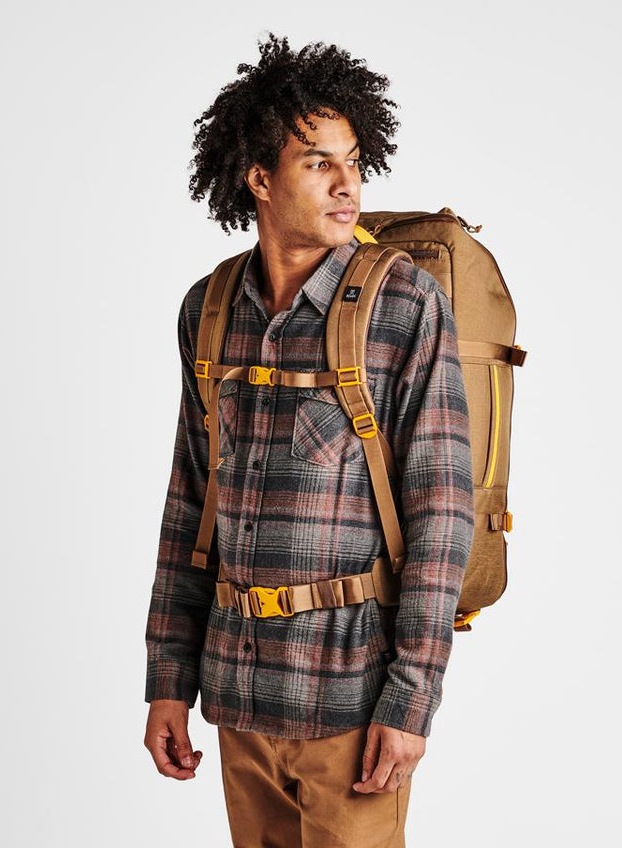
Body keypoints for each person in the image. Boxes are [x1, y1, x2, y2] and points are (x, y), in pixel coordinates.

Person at [143, 32, 474, 847]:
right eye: (318, 162)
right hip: (237, 697)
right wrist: (167, 679)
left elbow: (442, 514)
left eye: (353, 161)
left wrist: (412, 700)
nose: (347, 183)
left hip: (350, 705)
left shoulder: (405, 305)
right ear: (259, 177)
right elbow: (189, 505)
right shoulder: (208, 309)